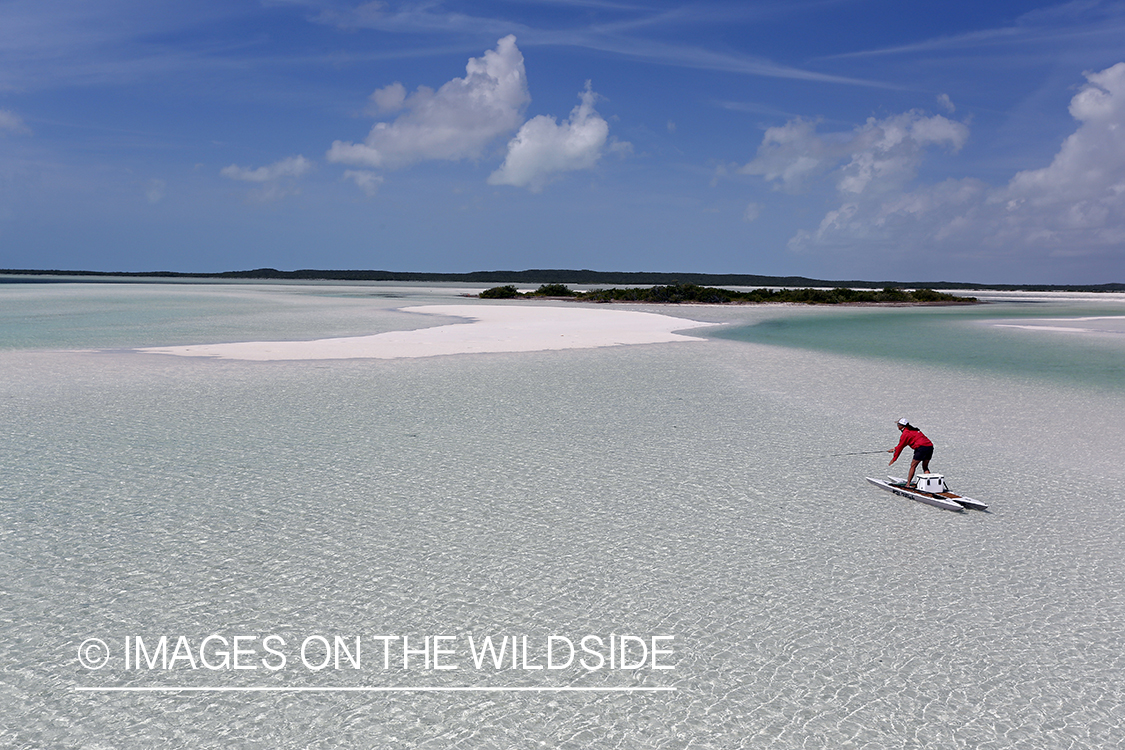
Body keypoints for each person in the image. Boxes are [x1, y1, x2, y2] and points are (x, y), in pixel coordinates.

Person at [888, 418, 934, 487]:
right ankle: (930, 485)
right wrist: (895, 448)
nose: (897, 426)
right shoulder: (914, 430)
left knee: (913, 466)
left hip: (921, 448)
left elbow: (901, 446)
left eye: (898, 424)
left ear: (902, 426)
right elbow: (906, 443)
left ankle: (908, 484)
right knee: (925, 467)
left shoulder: (905, 433)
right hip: (930, 447)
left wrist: (894, 459)